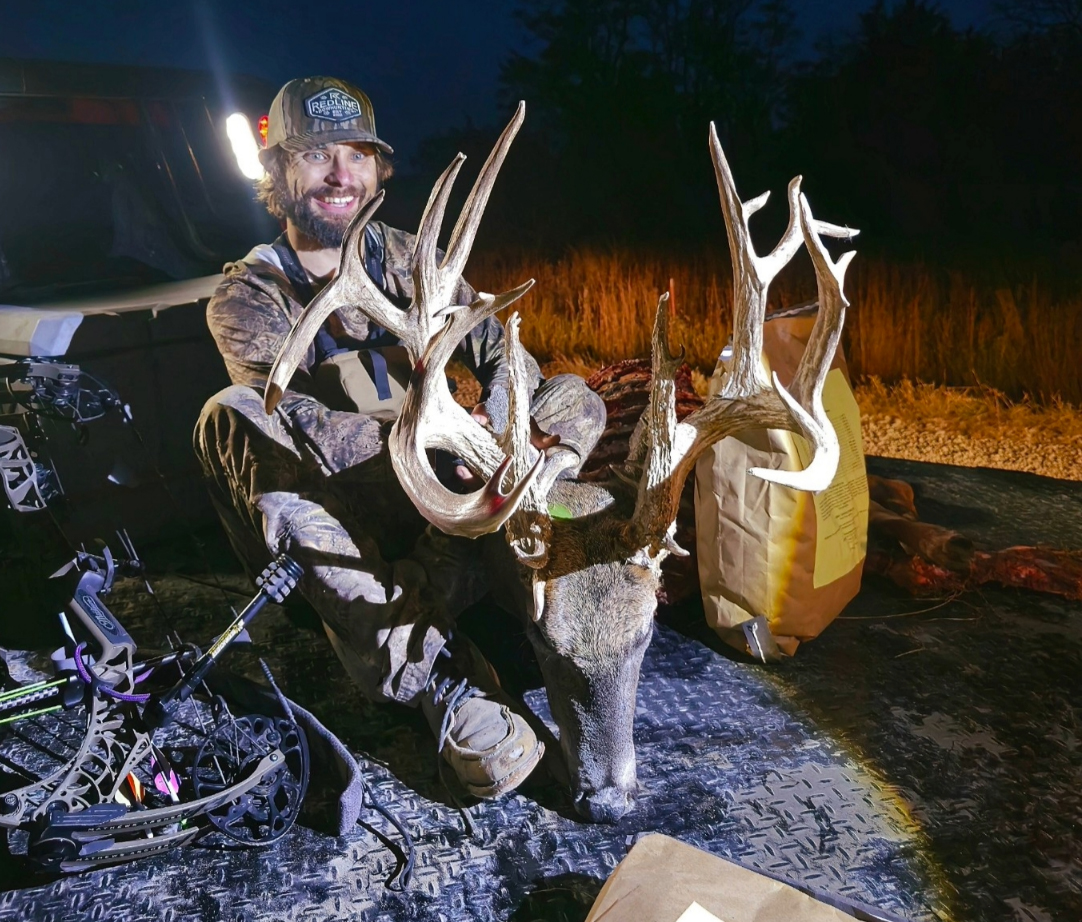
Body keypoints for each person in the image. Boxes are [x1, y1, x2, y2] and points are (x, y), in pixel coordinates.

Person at [194, 76, 606, 799]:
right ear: (279, 173)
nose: (339, 175)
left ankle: (552, 583)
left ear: (379, 170)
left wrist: (502, 420)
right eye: (316, 155)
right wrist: (434, 444)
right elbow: (297, 423)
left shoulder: (413, 257)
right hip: (347, 527)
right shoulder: (248, 294)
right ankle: (439, 677)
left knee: (569, 396)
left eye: (356, 155)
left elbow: (499, 344)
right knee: (230, 415)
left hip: (455, 498)